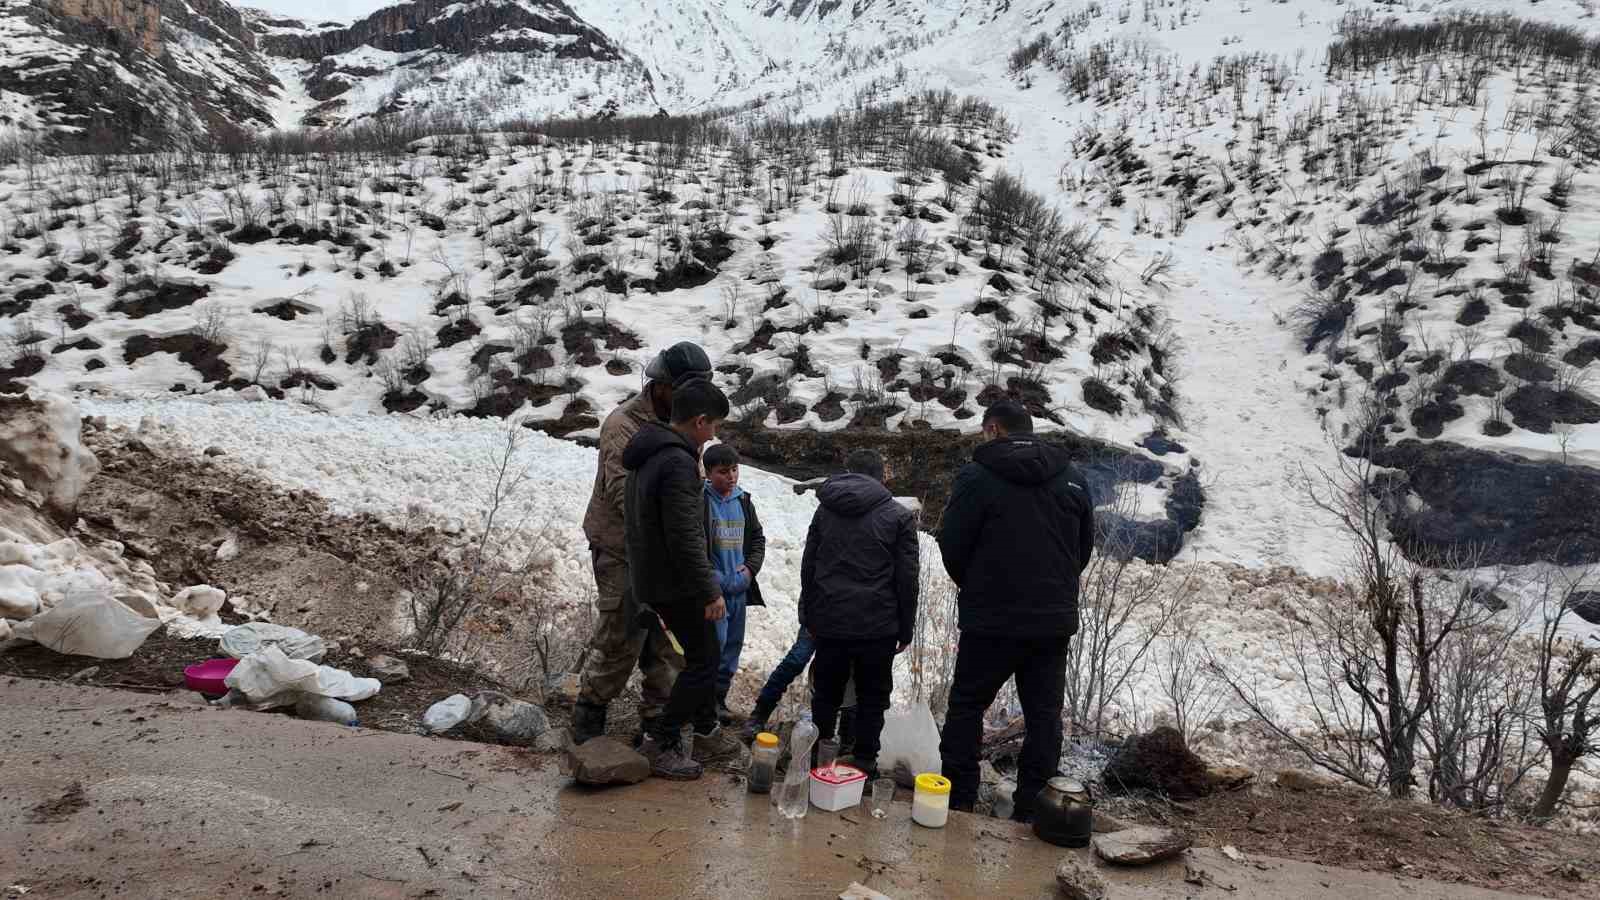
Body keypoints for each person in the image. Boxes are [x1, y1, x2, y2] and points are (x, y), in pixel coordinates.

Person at [936, 400, 1095, 822]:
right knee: (1044, 716)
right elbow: (1082, 549)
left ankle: (959, 800)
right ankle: (1033, 807)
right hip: (1051, 622)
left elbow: (951, 541)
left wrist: (973, 583)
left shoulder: (976, 477)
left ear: (992, 430)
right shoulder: (1073, 478)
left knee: (967, 705)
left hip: (989, 617)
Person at [573, 342, 711, 746]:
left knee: (668, 642)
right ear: (663, 386)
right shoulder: (623, 424)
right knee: (622, 634)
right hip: (621, 549)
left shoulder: (684, 421)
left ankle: (656, 721)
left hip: (665, 553)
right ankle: (590, 713)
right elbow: (623, 494)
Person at [623, 375, 733, 780]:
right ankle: (662, 742)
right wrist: (709, 590)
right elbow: (685, 534)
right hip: (676, 582)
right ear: (701, 422)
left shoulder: (649, 451)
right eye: (715, 424)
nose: (715, 433)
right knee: (704, 661)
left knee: (700, 655)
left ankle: (702, 730)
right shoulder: (677, 462)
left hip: (652, 577)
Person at [801, 449, 919, 778]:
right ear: (881, 477)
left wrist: (808, 615)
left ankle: (818, 755)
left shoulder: (825, 511)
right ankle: (865, 760)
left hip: (829, 619)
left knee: (826, 692)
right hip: (877, 626)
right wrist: (905, 628)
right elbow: (907, 579)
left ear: (849, 472)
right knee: (873, 695)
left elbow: (809, 565)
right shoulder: (899, 516)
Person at [701, 443, 766, 724]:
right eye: (723, 472)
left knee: (732, 647)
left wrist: (750, 570)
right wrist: (709, 577)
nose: (731, 476)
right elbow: (693, 545)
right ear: (708, 473)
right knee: (713, 646)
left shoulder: (743, 501)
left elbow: (758, 541)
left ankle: (718, 701)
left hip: (739, 589)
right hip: (713, 592)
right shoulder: (701, 501)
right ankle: (702, 707)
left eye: (734, 470)